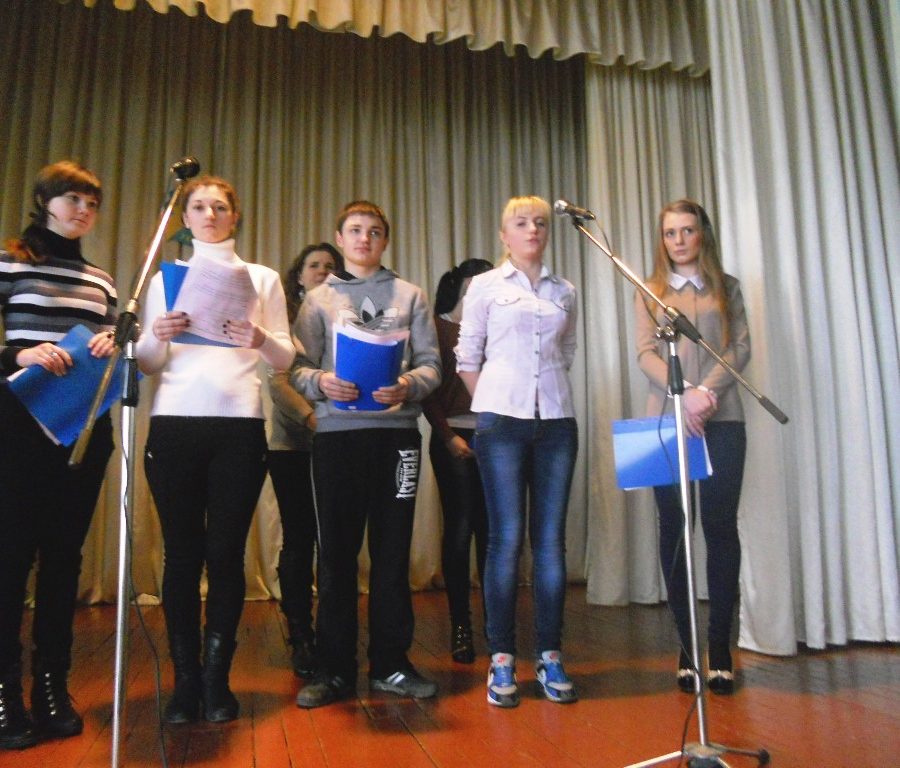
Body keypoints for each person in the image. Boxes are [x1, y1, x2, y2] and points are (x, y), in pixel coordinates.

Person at [136, 176, 294, 724]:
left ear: (235, 215)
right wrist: (158, 333)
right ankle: (185, 682)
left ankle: (215, 680)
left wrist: (260, 339)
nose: (209, 214)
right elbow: (147, 362)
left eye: (219, 206)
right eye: (198, 206)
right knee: (182, 555)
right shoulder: (164, 279)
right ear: (185, 216)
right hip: (174, 423)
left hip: (238, 426)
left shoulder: (261, 278)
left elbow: (285, 357)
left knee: (226, 554)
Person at [291, 201, 441, 709]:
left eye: (374, 231)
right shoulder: (318, 300)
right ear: (340, 238)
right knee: (336, 556)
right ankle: (334, 670)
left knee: (392, 554)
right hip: (337, 438)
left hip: (397, 439)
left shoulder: (411, 295)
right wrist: (321, 382)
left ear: (385, 240)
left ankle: (391, 665)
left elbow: (432, 364)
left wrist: (408, 385)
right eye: (355, 230)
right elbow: (297, 368)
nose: (364, 238)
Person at [0, 161, 117, 750]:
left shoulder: (102, 281)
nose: (83, 211)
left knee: (64, 558)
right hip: (18, 426)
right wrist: (18, 356)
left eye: (91, 203)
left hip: (83, 429)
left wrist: (114, 344)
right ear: (45, 201)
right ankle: (4, 692)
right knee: (10, 556)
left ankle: (52, 686)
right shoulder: (10, 261)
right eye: (73, 199)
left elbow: (114, 348)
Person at [456, 195, 579, 708]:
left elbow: (565, 352)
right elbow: (467, 356)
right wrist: (496, 401)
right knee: (505, 539)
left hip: (556, 422)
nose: (533, 230)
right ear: (504, 235)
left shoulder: (565, 290)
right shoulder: (485, 286)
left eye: (540, 223)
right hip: (501, 422)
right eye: (521, 222)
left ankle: (550, 653)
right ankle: (502, 656)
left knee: (550, 542)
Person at [634, 198, 751, 695]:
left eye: (687, 230)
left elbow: (739, 347)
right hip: (665, 421)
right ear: (661, 239)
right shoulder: (649, 291)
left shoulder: (728, 287)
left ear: (703, 233)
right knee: (676, 530)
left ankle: (719, 648)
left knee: (720, 529)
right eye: (670, 232)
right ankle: (686, 648)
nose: (679, 240)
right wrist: (684, 396)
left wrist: (706, 394)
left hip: (722, 418)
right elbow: (645, 354)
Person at [267, 242, 342, 678]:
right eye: (314, 265)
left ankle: (334, 634)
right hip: (292, 445)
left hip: (340, 443)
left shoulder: (346, 315)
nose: (323, 271)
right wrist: (313, 418)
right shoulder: (285, 318)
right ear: (298, 275)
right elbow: (278, 382)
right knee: (299, 539)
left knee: (335, 541)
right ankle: (300, 634)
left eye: (331, 266)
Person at [422, 259, 493, 664]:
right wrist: (448, 436)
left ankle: (494, 623)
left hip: (495, 436)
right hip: (452, 436)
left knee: (493, 531)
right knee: (461, 527)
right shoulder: (438, 326)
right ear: (461, 285)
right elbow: (428, 389)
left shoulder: (496, 326)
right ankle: (460, 624)